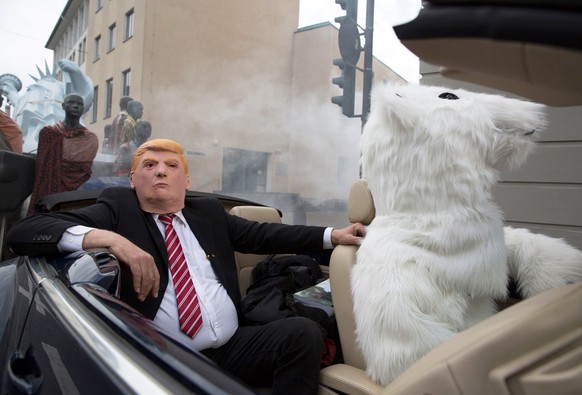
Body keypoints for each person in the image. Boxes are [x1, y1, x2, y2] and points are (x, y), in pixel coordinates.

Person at [7, 138, 365, 395]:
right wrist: (112, 240)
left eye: (171, 166)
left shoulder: (208, 212)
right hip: (164, 357)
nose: (160, 171)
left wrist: (335, 234)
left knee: (302, 331)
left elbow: (264, 235)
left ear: (187, 181)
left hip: (229, 347)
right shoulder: (118, 208)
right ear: (133, 181)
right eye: (149, 165)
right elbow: (26, 231)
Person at [27, 93, 99, 214]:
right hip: (49, 191)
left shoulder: (90, 139)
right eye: (71, 103)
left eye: (80, 104)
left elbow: (84, 169)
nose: (76, 106)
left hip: (76, 195)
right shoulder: (48, 134)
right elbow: (41, 169)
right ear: (63, 106)